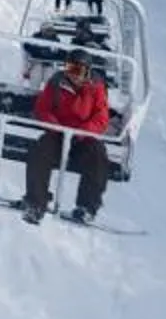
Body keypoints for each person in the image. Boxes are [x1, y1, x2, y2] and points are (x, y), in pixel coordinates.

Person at [21, 52, 112, 225]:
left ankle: (86, 208)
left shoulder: (96, 87)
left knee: (98, 155)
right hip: (58, 135)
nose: (74, 75)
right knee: (40, 149)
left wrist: (81, 132)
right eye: (70, 68)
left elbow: (101, 118)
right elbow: (42, 108)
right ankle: (35, 203)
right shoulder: (57, 82)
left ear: (87, 71)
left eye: (79, 70)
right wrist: (57, 127)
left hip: (82, 139)